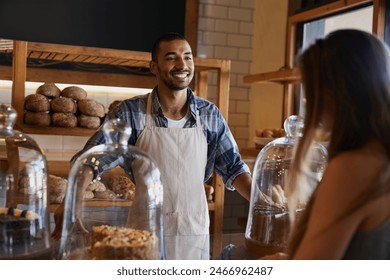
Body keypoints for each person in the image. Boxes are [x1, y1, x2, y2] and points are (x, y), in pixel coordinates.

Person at [53, 32, 252, 259]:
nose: (182, 64)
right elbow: (90, 159)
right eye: (171, 57)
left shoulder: (209, 114)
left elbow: (234, 167)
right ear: (153, 67)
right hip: (143, 234)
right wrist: (73, 200)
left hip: (193, 231)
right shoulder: (131, 112)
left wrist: (263, 203)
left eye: (188, 57)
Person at [261, 29, 390, 260]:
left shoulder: (354, 167)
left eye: (312, 91)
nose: (310, 104)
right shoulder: (380, 157)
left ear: (335, 93)